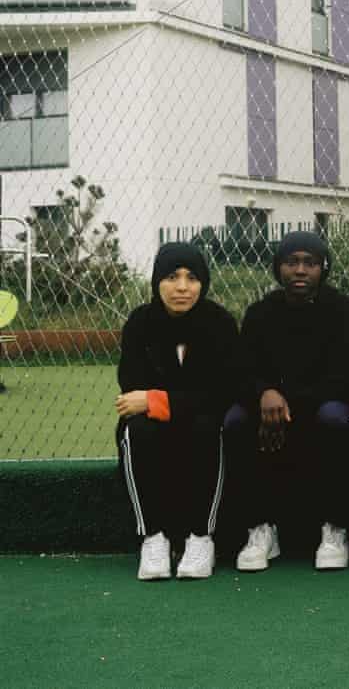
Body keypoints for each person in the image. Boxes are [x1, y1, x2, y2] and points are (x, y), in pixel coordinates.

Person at [224, 231, 349, 572]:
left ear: (323, 269)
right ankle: (260, 528)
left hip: (322, 403)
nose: (300, 270)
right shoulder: (260, 313)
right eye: (291, 262)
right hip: (270, 404)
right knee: (236, 421)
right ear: (278, 268)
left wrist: (286, 404)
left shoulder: (342, 310)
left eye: (310, 263)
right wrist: (264, 394)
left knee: (333, 418)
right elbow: (241, 372)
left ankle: (334, 528)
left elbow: (348, 376)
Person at [115, 242, 238, 581]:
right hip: (158, 426)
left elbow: (223, 391)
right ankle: (153, 538)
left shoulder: (219, 323)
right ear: (157, 282)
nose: (182, 287)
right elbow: (130, 390)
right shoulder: (141, 322)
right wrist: (162, 404)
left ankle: (201, 537)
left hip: (201, 422)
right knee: (135, 428)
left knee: (207, 427)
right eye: (172, 277)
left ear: (204, 283)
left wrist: (157, 401)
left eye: (192, 278)